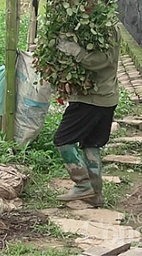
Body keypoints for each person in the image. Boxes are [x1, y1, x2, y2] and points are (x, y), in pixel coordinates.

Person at [53, 25, 121, 207]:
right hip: (105, 96)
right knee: (92, 143)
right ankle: (95, 195)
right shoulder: (105, 24)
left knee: (63, 139)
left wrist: (77, 52)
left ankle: (83, 184)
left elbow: (104, 59)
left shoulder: (106, 28)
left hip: (91, 97)